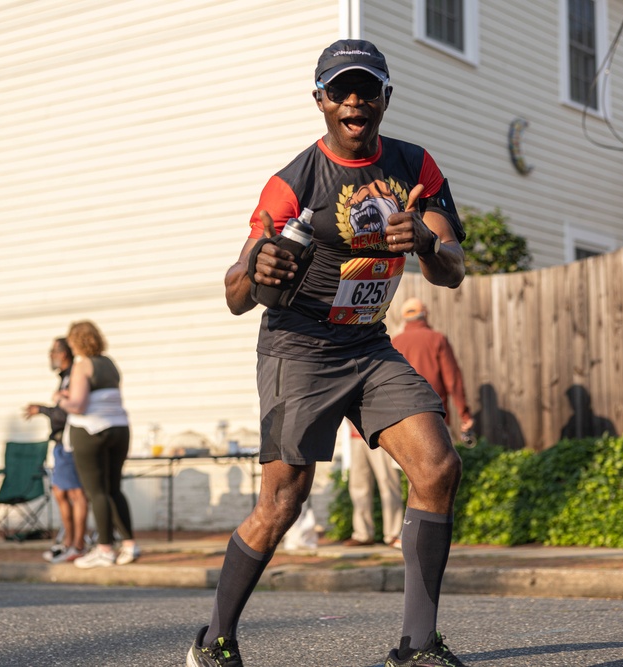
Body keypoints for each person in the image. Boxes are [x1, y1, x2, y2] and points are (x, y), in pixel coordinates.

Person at [186, 40, 469, 667]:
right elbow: (237, 294)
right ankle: (214, 641)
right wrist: (257, 265)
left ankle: (417, 647)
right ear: (320, 101)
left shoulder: (416, 168)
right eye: (340, 90)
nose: (354, 101)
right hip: (300, 345)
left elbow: (452, 268)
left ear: (386, 99)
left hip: (368, 342)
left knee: (437, 467)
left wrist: (424, 240)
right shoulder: (294, 182)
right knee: (283, 502)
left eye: (367, 90)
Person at [57, 321, 139, 569]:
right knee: (114, 488)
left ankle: (104, 549)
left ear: (76, 342)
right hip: (120, 429)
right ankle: (129, 544)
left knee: (97, 492)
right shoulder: (110, 364)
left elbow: (78, 405)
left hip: (91, 430)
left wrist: (61, 400)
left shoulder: (82, 366)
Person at [24, 337, 88, 564]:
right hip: (61, 443)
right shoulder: (64, 378)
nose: (50, 356)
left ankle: (79, 545)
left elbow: (66, 411)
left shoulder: (73, 376)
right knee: (61, 492)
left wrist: (42, 408)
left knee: (76, 493)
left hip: (71, 441)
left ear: (63, 354)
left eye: (53, 352)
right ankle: (68, 542)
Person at [391, 298, 474, 441]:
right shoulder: (437, 339)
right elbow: (452, 381)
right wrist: (465, 415)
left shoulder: (394, 342)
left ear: (404, 318)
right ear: (425, 314)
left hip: (401, 421)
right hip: (434, 418)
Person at [341, 420, 404, 549]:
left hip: (380, 435)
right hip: (356, 436)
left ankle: (393, 534)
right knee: (358, 486)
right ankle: (362, 534)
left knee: (388, 483)